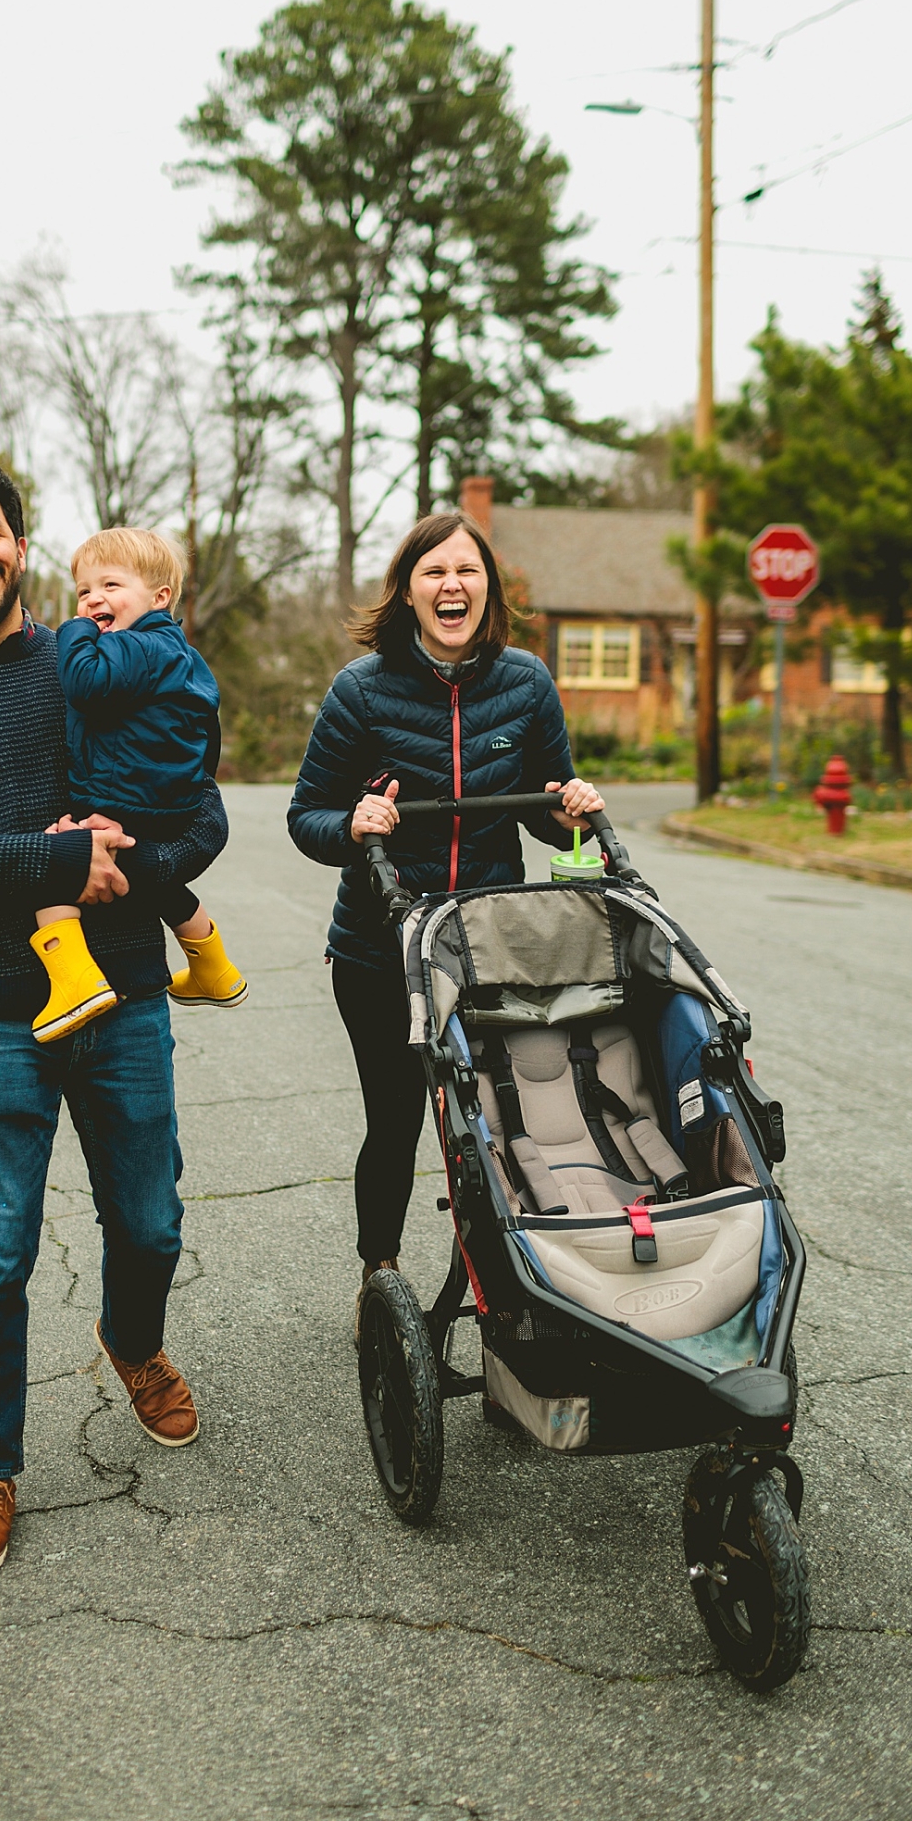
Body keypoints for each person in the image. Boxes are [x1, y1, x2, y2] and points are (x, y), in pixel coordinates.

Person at [0, 456, 227, 1577]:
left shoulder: (93, 653)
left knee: (151, 1219)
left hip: (123, 992)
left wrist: (134, 865)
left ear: (20, 543)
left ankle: (133, 1340)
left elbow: (199, 804)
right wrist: (56, 857)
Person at [287, 510, 604, 1325]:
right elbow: (306, 817)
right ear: (408, 591)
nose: (450, 585)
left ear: (487, 587)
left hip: (486, 942)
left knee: (500, 1125)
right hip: (379, 947)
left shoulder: (526, 682)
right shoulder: (361, 690)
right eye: (433, 572)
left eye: (465, 570)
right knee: (394, 1122)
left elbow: (545, 809)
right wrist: (354, 823)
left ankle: (515, 1283)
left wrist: (571, 809)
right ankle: (379, 1274)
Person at [29, 527, 247, 1043]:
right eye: (83, 591)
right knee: (159, 884)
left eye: (110, 585)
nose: (92, 599)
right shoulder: (180, 655)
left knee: (54, 862)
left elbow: (83, 682)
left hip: (122, 800)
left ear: (160, 597)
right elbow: (205, 733)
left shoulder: (136, 647)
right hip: (168, 801)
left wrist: (72, 630)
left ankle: (75, 982)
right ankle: (214, 968)